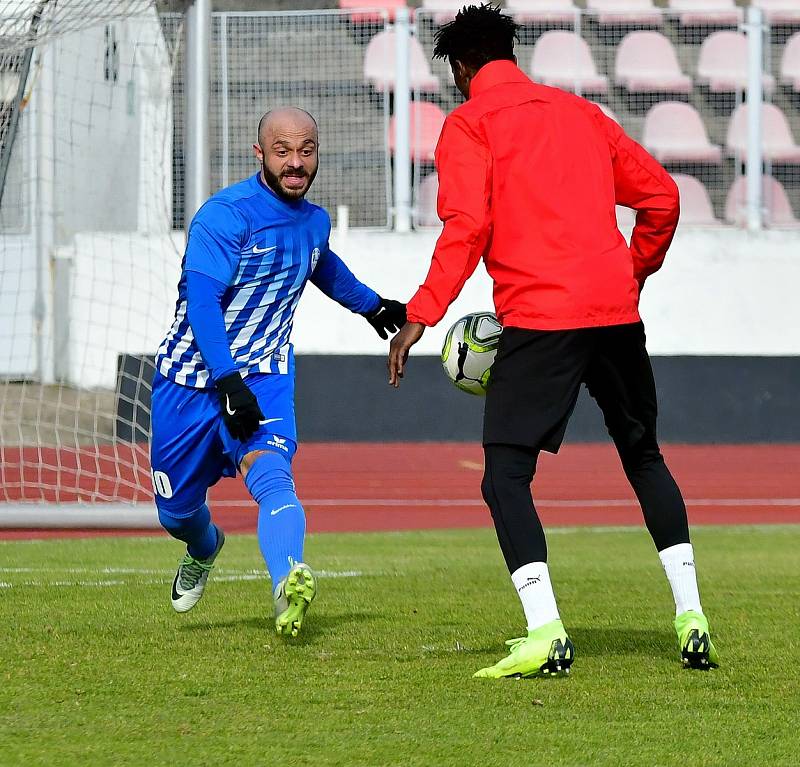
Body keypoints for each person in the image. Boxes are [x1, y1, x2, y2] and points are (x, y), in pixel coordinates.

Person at [388, 4, 718, 678]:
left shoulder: (470, 123)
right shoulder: (580, 114)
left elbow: (466, 227)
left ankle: (545, 631)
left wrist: (422, 312)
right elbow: (662, 198)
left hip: (541, 319)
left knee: (505, 475)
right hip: (614, 312)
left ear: (461, 66)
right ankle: (692, 617)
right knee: (644, 455)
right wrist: (632, 270)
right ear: (511, 51)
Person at [151, 107, 405, 637]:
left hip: (265, 375)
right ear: (260, 153)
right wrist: (226, 382)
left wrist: (371, 305)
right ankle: (205, 546)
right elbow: (201, 303)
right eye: (283, 150)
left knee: (272, 476)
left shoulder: (314, 221)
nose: (295, 163)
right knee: (175, 514)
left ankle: (287, 580)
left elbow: (321, 263)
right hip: (192, 380)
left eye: (306, 150)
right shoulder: (225, 215)